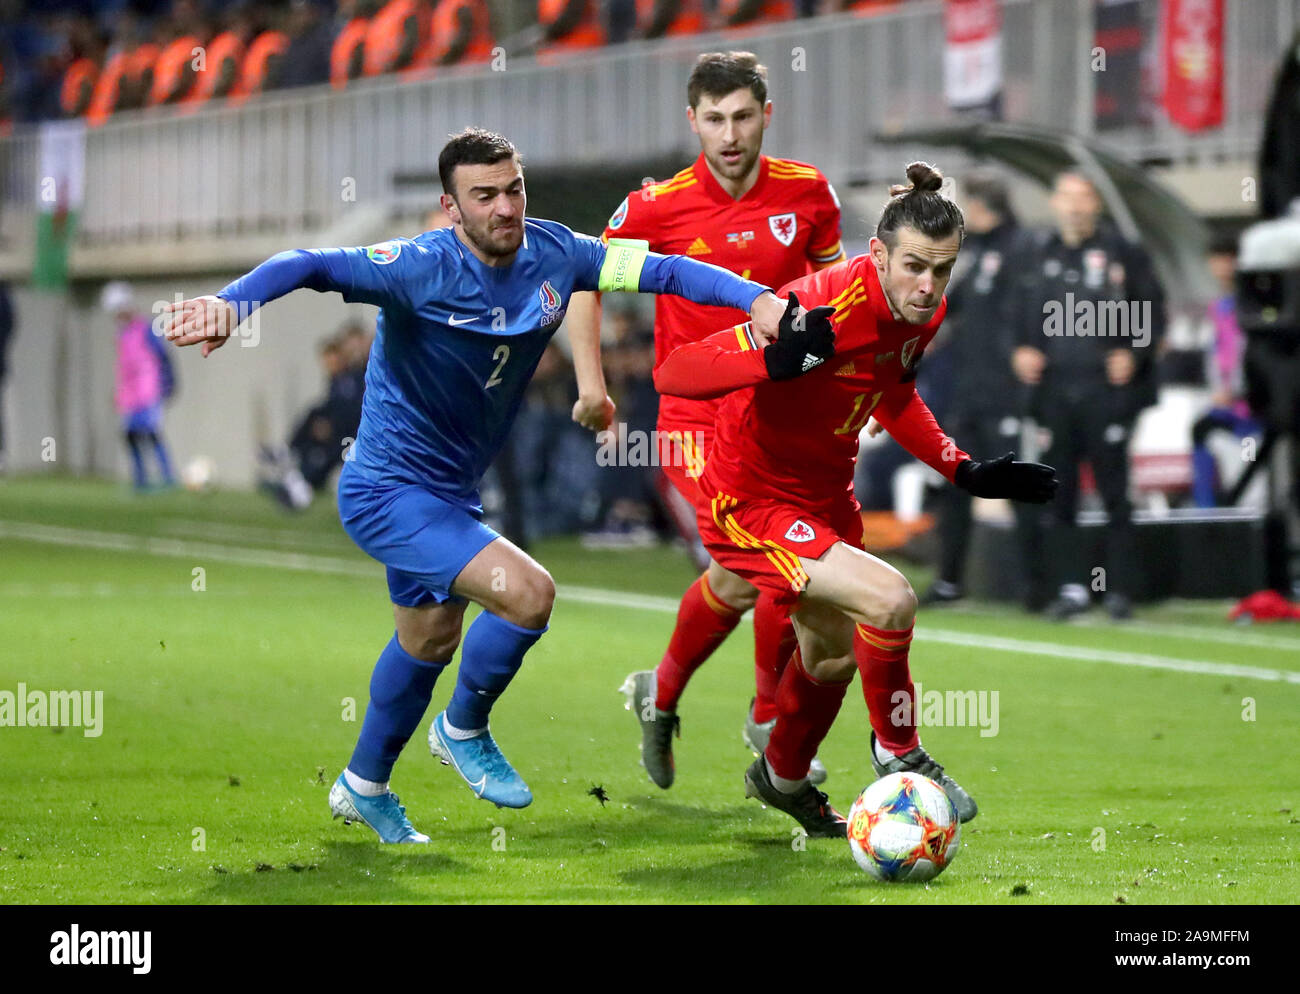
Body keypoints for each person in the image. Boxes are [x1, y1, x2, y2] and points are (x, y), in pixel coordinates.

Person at [161, 127, 791, 844]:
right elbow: (308, 263)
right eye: (483, 195)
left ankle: (362, 785)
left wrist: (757, 300)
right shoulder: (414, 267)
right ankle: (463, 729)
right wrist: (233, 303)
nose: (503, 208)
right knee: (528, 594)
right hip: (386, 490)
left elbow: (669, 273)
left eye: (513, 189)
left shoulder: (561, 254)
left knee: (428, 640)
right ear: (450, 207)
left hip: (452, 492)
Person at [654, 163, 1057, 837]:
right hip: (751, 500)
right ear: (876, 256)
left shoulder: (922, 313)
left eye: (942, 270)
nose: (927, 287)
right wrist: (773, 358)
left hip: (824, 498)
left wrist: (963, 470)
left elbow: (893, 393)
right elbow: (675, 371)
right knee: (892, 599)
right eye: (913, 267)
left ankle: (781, 779)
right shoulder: (816, 309)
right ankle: (899, 752)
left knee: (832, 654)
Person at [566, 51, 844, 791]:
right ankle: (764, 716)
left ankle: (659, 692)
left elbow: (832, 299)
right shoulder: (656, 207)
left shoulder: (809, 194)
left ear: (766, 115)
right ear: (692, 121)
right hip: (693, 420)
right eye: (714, 119)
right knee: (766, 559)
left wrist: (855, 390)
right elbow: (585, 282)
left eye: (743, 116)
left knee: (744, 572)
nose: (730, 134)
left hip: (782, 414)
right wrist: (592, 384)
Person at [1005, 170, 1166, 621]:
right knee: (1061, 492)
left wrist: (1134, 353)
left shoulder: (1122, 252)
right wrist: (1020, 351)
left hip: (1105, 390)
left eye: (1084, 197)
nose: (1075, 206)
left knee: (1115, 489)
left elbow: (1152, 309)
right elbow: (1013, 314)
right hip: (1055, 390)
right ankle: (1072, 587)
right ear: (1054, 203)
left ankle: (1119, 590)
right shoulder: (1036, 253)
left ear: (1096, 205)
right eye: (1067, 197)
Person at [919, 170, 1039, 608]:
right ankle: (950, 582)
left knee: (1020, 484)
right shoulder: (972, 252)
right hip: (967, 392)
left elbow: (1034, 313)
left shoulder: (1024, 248)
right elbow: (951, 306)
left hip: (1009, 393)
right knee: (956, 483)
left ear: (987, 206)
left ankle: (1035, 585)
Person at [1190, 236, 1260, 507]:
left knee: (1251, 465)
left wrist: (1239, 390)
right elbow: (1219, 354)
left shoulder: (1253, 304)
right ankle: (1205, 511)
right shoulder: (1219, 307)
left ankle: (1251, 510)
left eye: (1228, 260)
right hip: (1229, 403)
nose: (1223, 267)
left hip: (1253, 404)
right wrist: (1220, 390)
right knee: (1201, 431)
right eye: (1217, 261)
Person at [106, 281, 176, 493]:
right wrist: (119, 394)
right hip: (131, 394)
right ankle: (140, 479)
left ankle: (167, 477)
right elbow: (124, 367)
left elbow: (162, 357)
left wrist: (169, 383)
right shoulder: (121, 335)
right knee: (131, 436)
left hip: (148, 390)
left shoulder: (145, 329)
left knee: (152, 432)